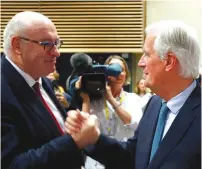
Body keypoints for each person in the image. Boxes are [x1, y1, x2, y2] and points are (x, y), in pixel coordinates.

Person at [65, 20, 201, 169]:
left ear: (169, 61)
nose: (140, 63)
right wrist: (93, 139)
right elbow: (133, 155)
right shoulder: (155, 104)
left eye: (147, 55)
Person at [1, 11, 84, 169]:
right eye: (47, 44)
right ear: (17, 45)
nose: (57, 52)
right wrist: (73, 141)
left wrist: (71, 121)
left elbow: (49, 129)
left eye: (57, 43)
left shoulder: (42, 79)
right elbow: (10, 164)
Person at [77, 55, 143, 169]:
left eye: (121, 70)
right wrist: (85, 99)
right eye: (112, 69)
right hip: (96, 162)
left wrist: (111, 99)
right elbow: (84, 128)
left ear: (126, 74)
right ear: (106, 74)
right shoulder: (95, 100)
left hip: (123, 158)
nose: (118, 73)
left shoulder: (134, 99)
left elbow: (135, 125)